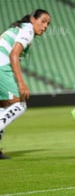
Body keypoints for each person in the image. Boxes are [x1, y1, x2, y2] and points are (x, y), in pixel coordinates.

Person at [0, 9, 51, 159]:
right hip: (2, 67)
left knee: (3, 106)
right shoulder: (27, 30)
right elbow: (14, 54)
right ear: (32, 19)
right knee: (19, 105)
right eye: (43, 21)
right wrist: (21, 83)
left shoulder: (18, 28)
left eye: (48, 24)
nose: (45, 26)